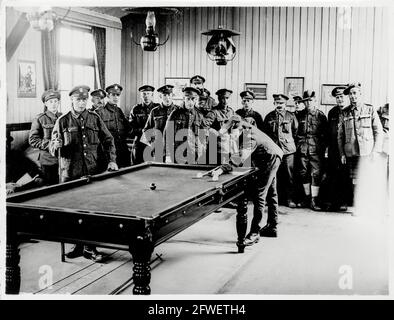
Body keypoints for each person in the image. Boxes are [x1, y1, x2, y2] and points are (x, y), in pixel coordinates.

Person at [49, 85, 118, 262]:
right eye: (78, 99)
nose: (81, 102)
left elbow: (109, 140)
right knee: (72, 212)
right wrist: (54, 146)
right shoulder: (63, 121)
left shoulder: (94, 118)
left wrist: (112, 160)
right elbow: (52, 146)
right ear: (71, 100)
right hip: (70, 173)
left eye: (84, 99)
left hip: (92, 171)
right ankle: (77, 245)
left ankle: (90, 247)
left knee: (92, 211)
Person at [221, 115, 283, 246]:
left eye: (230, 133)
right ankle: (272, 226)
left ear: (236, 126)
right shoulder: (244, 128)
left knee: (260, 194)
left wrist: (223, 168)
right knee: (271, 192)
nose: (231, 137)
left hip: (269, 157)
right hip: (272, 155)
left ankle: (255, 232)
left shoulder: (249, 135)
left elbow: (241, 157)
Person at [337, 82, 383, 198]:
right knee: (355, 180)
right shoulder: (344, 112)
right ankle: (358, 205)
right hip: (352, 153)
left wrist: (376, 151)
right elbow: (340, 136)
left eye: (355, 93)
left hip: (367, 152)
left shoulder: (369, 109)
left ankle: (367, 204)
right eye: (350, 94)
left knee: (368, 179)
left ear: (360, 93)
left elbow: (378, 131)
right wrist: (342, 153)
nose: (352, 96)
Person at [263, 94, 298, 208]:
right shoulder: (269, 116)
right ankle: (272, 199)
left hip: (288, 151)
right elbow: (265, 134)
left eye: (281, 103)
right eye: (277, 103)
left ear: (285, 104)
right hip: (274, 151)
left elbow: (296, 132)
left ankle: (289, 199)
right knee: (272, 175)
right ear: (274, 103)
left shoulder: (291, 116)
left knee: (289, 175)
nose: (279, 105)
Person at [295, 90, 328, 210]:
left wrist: (324, 149)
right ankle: (306, 198)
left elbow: (326, 134)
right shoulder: (299, 115)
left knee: (316, 173)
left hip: (316, 148)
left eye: (310, 100)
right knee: (303, 173)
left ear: (314, 101)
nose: (308, 102)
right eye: (306, 101)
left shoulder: (320, 115)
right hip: (302, 148)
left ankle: (314, 200)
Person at [322, 86, 351, 211]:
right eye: (337, 97)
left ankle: (344, 201)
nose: (340, 99)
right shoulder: (332, 112)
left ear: (347, 97)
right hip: (334, 149)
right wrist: (327, 148)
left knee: (345, 175)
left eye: (342, 97)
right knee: (333, 174)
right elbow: (329, 132)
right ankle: (334, 202)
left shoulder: (351, 111)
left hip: (347, 148)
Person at [29, 89, 62, 185]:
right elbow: (33, 140)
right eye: (51, 102)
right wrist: (50, 145)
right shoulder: (40, 119)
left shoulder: (63, 117)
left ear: (59, 102)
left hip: (63, 160)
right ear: (45, 103)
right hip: (48, 160)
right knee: (50, 188)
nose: (54, 104)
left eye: (56, 101)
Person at [95, 84, 131, 168]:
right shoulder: (99, 112)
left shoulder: (119, 111)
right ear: (107, 96)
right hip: (107, 152)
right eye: (113, 95)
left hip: (122, 150)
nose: (116, 97)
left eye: (118, 95)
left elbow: (128, 129)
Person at [164, 86, 203, 163]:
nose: (190, 102)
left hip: (193, 153)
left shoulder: (199, 115)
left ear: (196, 100)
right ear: (184, 99)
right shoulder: (175, 113)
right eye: (188, 99)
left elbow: (203, 136)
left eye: (193, 99)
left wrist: (201, 151)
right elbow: (167, 134)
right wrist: (168, 154)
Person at [141, 85, 177, 161]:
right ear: (161, 96)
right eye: (164, 95)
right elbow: (146, 130)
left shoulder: (178, 111)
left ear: (172, 95)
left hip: (174, 149)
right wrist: (152, 143)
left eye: (169, 95)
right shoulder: (155, 111)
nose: (167, 97)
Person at [129, 85, 160, 164]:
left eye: (148, 94)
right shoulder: (136, 109)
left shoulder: (157, 108)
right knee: (137, 165)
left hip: (154, 142)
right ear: (141, 96)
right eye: (144, 94)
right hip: (140, 142)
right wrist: (143, 131)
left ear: (152, 95)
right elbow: (130, 128)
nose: (146, 96)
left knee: (154, 166)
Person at [205, 88, 236, 164]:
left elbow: (234, 126)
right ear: (219, 99)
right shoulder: (213, 112)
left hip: (228, 148)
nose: (225, 101)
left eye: (227, 98)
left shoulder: (231, 111)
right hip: (216, 148)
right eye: (222, 98)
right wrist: (215, 132)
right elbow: (204, 126)